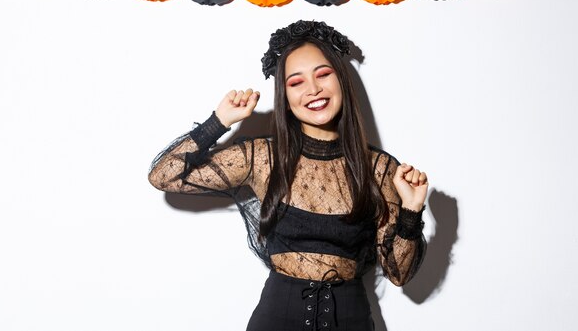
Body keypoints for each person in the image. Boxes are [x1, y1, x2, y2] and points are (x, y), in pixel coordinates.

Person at [148, 20, 428, 331]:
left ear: (341, 81)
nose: (313, 90)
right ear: (284, 96)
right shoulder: (263, 157)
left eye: (322, 75)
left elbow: (399, 274)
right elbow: (164, 177)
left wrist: (411, 212)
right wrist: (219, 122)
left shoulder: (380, 169)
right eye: (296, 82)